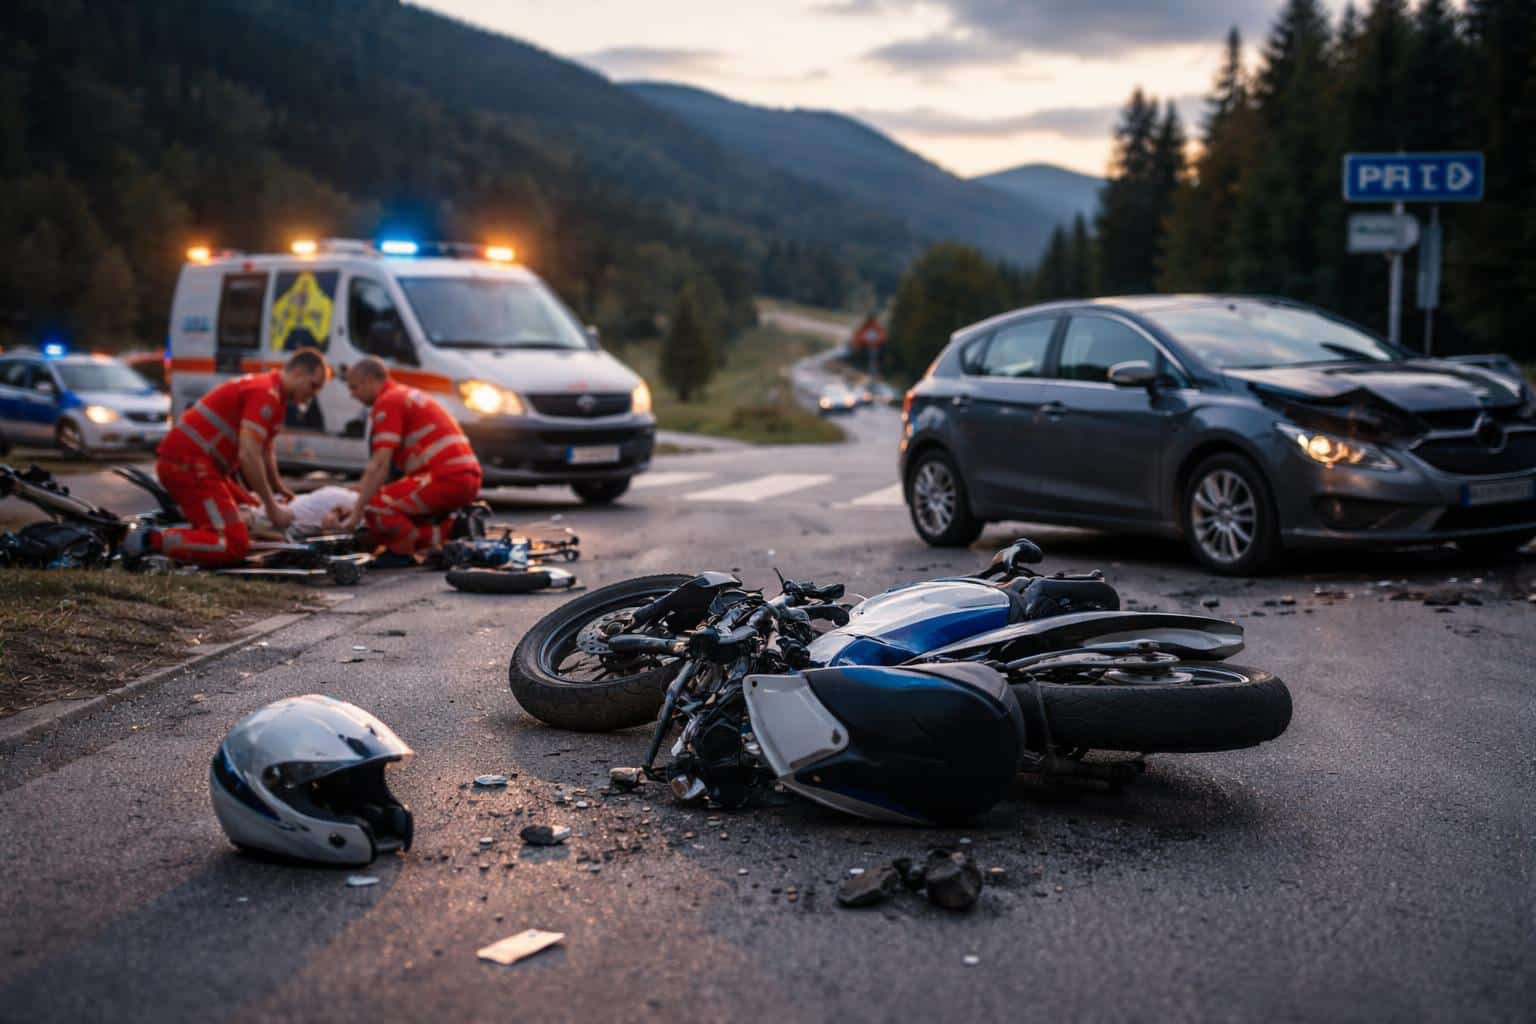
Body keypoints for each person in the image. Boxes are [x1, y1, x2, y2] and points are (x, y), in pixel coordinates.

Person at [131, 350, 329, 566]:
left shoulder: (274, 395)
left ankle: (197, 531)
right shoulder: (265, 393)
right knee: (233, 544)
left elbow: (264, 449)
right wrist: (272, 507)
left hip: (204, 466)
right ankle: (150, 540)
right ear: (299, 372)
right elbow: (249, 454)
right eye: (314, 385)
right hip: (189, 466)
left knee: (253, 512)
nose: (314, 394)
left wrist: (276, 487)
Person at [341, 356, 482, 566]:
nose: (352, 395)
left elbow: (379, 466)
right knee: (391, 507)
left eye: (354, 387)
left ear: (370, 380)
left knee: (377, 507)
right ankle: (452, 530)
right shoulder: (405, 395)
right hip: (465, 477)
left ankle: (404, 551)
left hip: (444, 478)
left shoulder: (387, 402)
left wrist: (356, 512)